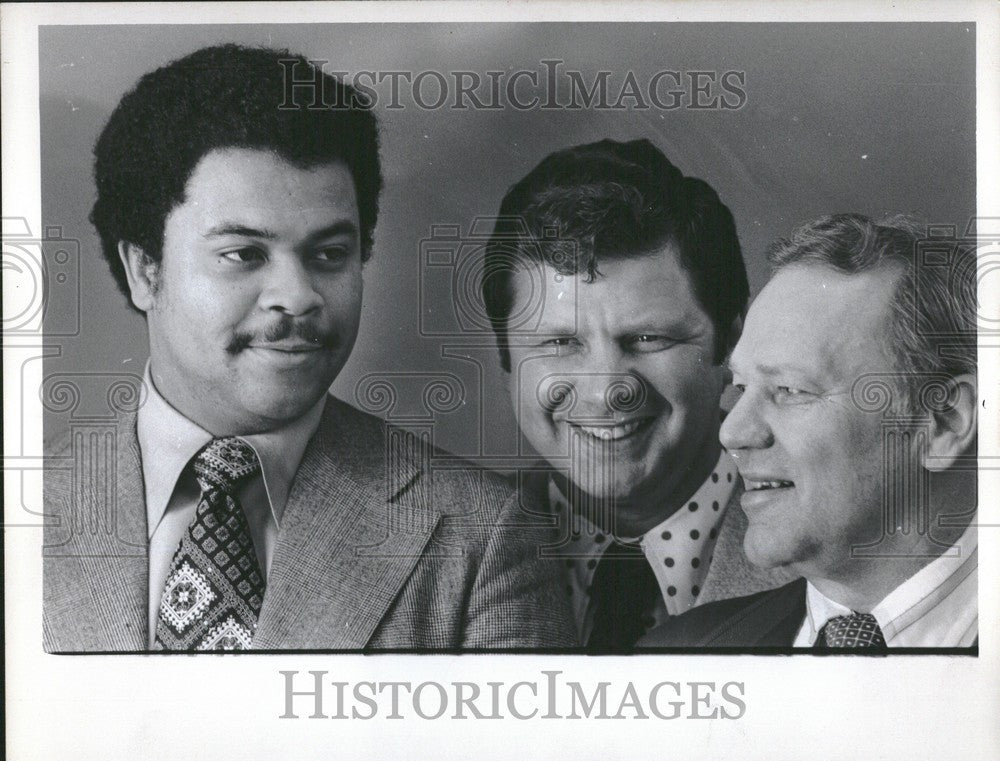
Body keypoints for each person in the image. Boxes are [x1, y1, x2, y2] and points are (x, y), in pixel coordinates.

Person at [43, 44, 576, 652]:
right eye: (243, 254)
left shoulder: (482, 537)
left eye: (329, 255)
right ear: (145, 270)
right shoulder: (24, 511)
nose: (297, 298)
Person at [481, 138, 790, 652]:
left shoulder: (833, 553)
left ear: (734, 342)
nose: (607, 391)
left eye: (648, 339)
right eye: (559, 342)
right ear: (506, 359)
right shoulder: (443, 559)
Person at [639, 214, 978, 650]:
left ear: (943, 423)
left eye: (790, 390)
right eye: (741, 388)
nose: (733, 432)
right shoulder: (679, 656)